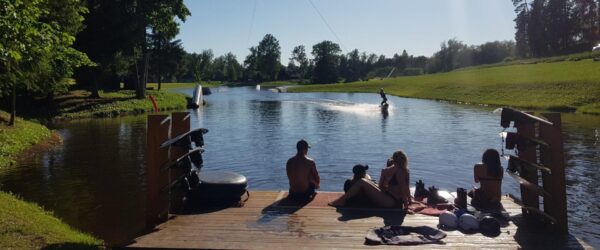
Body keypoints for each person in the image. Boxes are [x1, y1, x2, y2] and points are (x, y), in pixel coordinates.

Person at [329, 150, 411, 209]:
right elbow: (406, 189)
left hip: (391, 202)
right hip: (391, 199)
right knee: (367, 177)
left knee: (362, 181)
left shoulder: (391, 171)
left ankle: (341, 200)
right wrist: (409, 201)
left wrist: (406, 208)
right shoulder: (405, 171)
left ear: (393, 159)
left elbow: (403, 189)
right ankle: (343, 199)